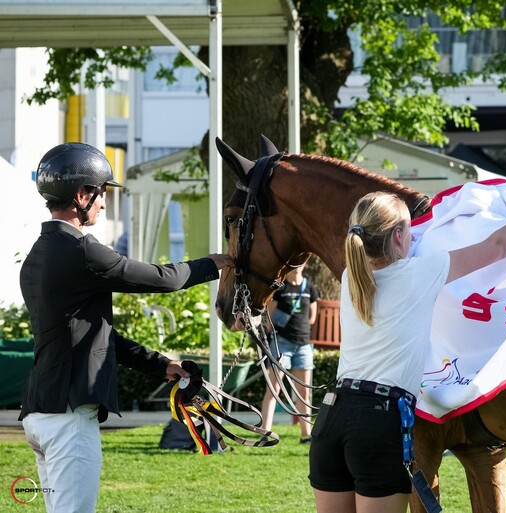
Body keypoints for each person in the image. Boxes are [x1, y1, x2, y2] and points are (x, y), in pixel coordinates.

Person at [18, 142, 233, 513]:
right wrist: (212, 264)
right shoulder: (83, 250)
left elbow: (93, 333)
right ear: (82, 195)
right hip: (69, 420)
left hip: (39, 414)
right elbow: (161, 278)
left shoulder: (36, 255)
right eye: (101, 194)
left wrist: (158, 364)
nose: (103, 203)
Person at [309, 191, 506, 513]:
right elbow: (497, 247)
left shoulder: (351, 278)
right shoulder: (421, 272)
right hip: (377, 423)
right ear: (400, 235)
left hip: (332, 417)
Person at [260, 262, 319, 443]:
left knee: (304, 391)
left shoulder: (310, 287)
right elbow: (269, 318)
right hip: (282, 344)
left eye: (301, 264)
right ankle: (265, 433)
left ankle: (305, 434)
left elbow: (311, 318)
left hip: (303, 344)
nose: (297, 267)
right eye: (294, 264)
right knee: (274, 389)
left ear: (305, 265)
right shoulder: (281, 287)